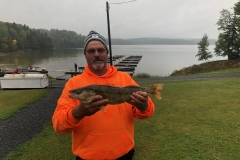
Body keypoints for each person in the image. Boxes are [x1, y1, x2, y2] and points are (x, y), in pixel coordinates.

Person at [52, 30, 155, 160]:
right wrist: (78, 112)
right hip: (88, 157)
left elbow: (147, 112)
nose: (97, 54)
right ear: (85, 54)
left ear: (107, 53)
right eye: (91, 51)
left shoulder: (125, 79)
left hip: (124, 154)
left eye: (101, 50)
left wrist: (144, 106)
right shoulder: (74, 85)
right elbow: (59, 125)